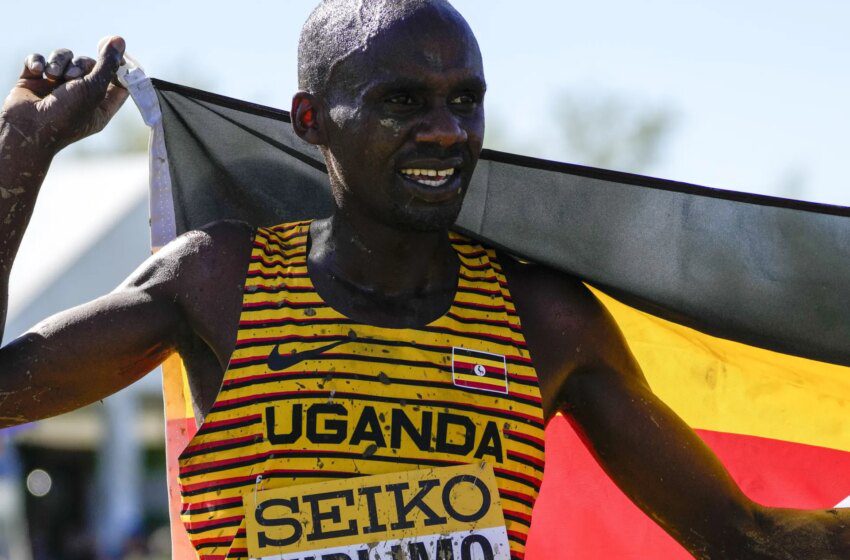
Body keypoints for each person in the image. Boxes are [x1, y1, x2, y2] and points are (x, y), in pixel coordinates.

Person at [0, 1, 847, 558]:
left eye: (465, 100)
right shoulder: (223, 282)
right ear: (311, 121)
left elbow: (744, 540)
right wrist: (21, 153)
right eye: (402, 102)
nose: (446, 131)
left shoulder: (543, 321)